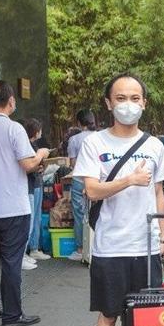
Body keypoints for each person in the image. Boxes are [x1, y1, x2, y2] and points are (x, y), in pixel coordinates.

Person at [72, 73, 164, 326]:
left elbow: (159, 192)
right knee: (109, 315)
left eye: (134, 98)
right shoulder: (94, 143)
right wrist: (129, 180)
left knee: (144, 317)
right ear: (108, 103)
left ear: (143, 103)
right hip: (110, 247)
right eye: (121, 98)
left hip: (144, 247)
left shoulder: (155, 145)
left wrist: (162, 236)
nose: (128, 105)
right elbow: (91, 189)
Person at [0, 80, 49, 326]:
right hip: (13, 207)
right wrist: (42, 154)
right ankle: (12, 315)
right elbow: (28, 164)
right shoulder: (14, 129)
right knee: (11, 261)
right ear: (11, 101)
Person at [67, 109, 97, 262]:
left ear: (79, 123)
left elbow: (72, 163)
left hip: (79, 180)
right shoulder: (101, 137)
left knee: (80, 215)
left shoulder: (74, 139)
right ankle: (97, 248)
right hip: (99, 182)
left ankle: (80, 249)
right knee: (99, 213)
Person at [22, 118, 51, 268]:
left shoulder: (33, 144)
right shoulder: (26, 146)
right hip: (30, 185)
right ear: (35, 131)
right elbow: (27, 166)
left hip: (36, 183)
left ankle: (33, 248)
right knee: (31, 218)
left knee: (36, 218)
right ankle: (23, 253)